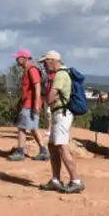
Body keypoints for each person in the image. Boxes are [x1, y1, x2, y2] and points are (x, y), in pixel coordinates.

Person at [38, 51, 84, 194]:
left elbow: (51, 97)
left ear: (52, 60)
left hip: (61, 114)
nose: (44, 65)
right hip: (59, 113)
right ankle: (55, 180)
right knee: (52, 146)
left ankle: (76, 181)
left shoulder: (60, 75)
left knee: (61, 147)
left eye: (45, 62)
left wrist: (46, 98)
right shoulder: (63, 74)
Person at [8, 49, 50, 162]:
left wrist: (36, 104)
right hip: (28, 103)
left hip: (30, 104)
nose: (16, 60)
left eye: (17, 58)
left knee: (22, 128)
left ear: (23, 58)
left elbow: (37, 87)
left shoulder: (31, 70)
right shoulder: (28, 70)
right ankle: (43, 151)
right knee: (33, 128)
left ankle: (21, 152)